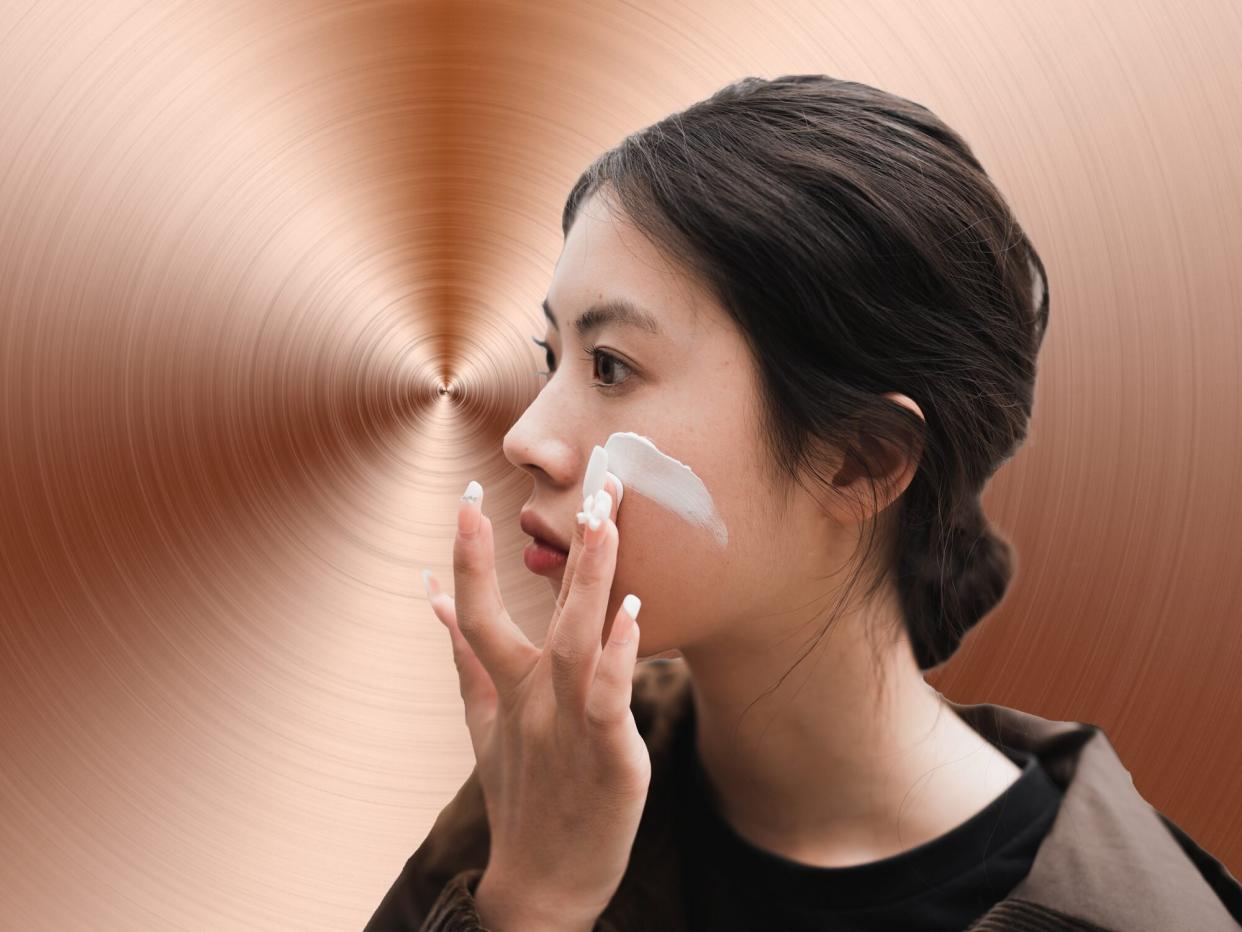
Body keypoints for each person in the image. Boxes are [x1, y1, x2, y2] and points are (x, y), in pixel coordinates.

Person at [365, 74, 1242, 931]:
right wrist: (533, 900)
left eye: (611, 366)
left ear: (861, 461)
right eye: (550, 356)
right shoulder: (550, 783)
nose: (525, 436)